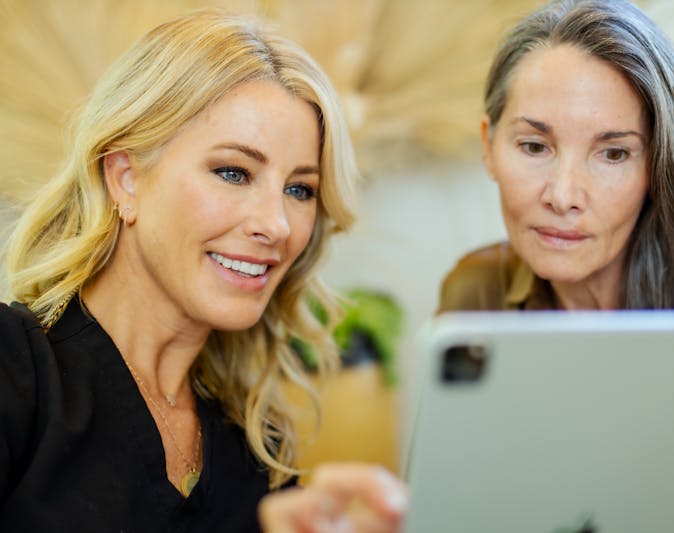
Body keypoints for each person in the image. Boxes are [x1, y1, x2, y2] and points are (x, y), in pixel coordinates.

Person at [0, 10, 405, 532]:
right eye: (233, 172)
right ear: (125, 179)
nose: (276, 224)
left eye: (299, 189)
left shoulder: (257, 447)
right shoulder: (15, 371)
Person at [438, 0, 674, 531]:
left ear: (657, 164)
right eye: (534, 145)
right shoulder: (472, 298)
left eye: (613, 154)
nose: (563, 196)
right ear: (490, 145)